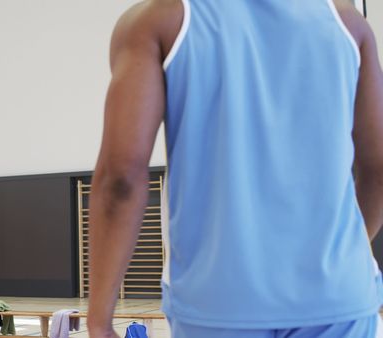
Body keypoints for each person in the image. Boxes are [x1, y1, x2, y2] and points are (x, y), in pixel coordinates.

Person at [87, 0, 383, 337]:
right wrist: (340, 254)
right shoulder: (348, 22)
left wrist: (99, 320)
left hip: (218, 299)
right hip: (340, 295)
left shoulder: (159, 19)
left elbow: (122, 177)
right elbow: (378, 171)